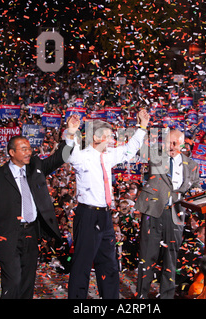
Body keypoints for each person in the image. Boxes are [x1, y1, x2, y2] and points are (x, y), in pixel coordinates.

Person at [0, 115, 80, 299]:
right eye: (23, 149)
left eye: (29, 148)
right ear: (11, 153)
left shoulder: (36, 166)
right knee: (13, 280)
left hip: (31, 233)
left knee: (27, 282)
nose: (28, 152)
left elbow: (59, 158)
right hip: (7, 235)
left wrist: (70, 133)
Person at [66, 109, 150, 299]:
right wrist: (71, 132)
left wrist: (142, 126)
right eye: (109, 136)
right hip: (87, 215)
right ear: (97, 137)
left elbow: (130, 149)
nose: (112, 140)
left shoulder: (108, 155)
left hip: (105, 216)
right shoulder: (82, 156)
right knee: (82, 264)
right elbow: (68, 155)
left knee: (109, 263)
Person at [135, 129, 200, 299]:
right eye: (168, 142)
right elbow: (140, 146)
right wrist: (142, 126)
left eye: (174, 143)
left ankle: (166, 296)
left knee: (171, 259)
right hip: (153, 213)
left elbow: (196, 186)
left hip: (176, 215)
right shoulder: (156, 157)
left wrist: (197, 191)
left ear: (182, 144)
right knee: (147, 257)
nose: (171, 147)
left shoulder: (192, 165)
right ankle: (141, 297)